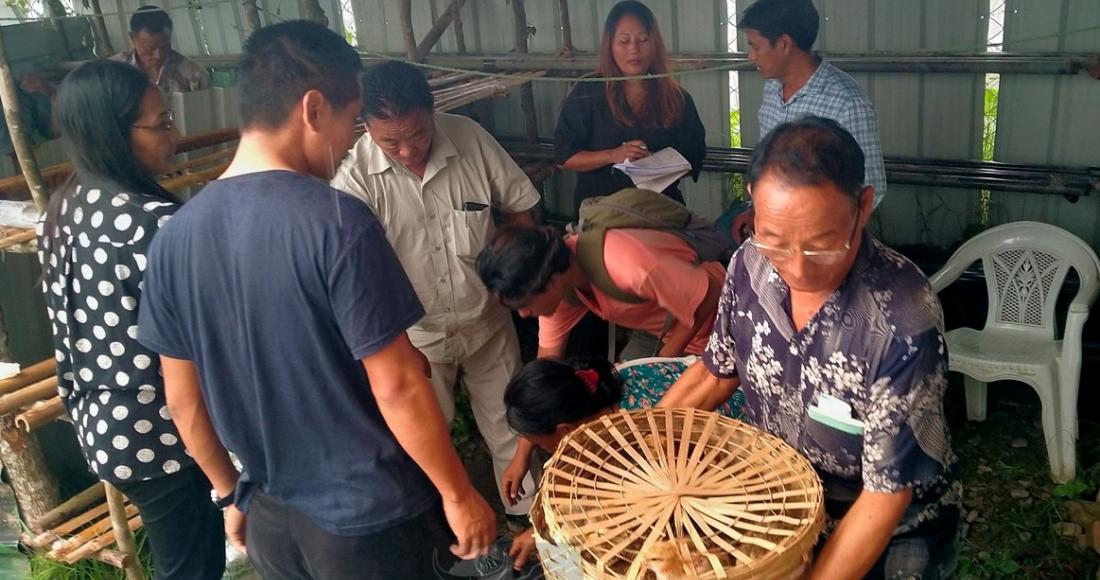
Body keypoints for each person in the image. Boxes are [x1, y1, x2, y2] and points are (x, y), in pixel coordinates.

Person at [136, 21, 495, 579]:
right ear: (313, 109)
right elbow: (398, 383)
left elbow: (182, 399)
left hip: (273, 520)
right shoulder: (336, 222)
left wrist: (229, 494)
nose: (350, 143)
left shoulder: (176, 237)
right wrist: (457, 491)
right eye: (352, 123)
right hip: (369, 521)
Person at [659, 117, 960, 579]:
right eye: (776, 242)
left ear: (863, 206)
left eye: (822, 246)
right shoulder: (748, 265)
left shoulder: (902, 320)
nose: (797, 269)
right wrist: (643, 450)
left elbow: (885, 494)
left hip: (891, 523)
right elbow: (715, 372)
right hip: (782, 505)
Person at [331, 60, 540, 526]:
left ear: (433, 113)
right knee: (424, 440)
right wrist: (394, 346)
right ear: (367, 128)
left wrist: (521, 284)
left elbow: (522, 211)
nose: (408, 150)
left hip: (487, 319)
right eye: (391, 141)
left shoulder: (470, 139)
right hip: (413, 338)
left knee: (511, 425)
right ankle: (441, 533)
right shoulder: (353, 179)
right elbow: (352, 278)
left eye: (419, 134)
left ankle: (526, 524)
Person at [36, 60, 224, 579]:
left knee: (185, 560)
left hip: (103, 423)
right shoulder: (152, 223)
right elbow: (199, 345)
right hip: (164, 433)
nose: (175, 134)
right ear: (115, 133)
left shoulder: (67, 206)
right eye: (161, 123)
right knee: (191, 567)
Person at [501, 356, 744, 569]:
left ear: (565, 429)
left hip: (741, 450)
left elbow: (619, 509)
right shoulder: (597, 384)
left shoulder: (643, 442)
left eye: (542, 446)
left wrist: (542, 533)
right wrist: (520, 458)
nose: (548, 452)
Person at [731, 0, 887, 241]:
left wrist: (813, 234)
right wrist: (755, 211)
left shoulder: (846, 102)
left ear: (784, 44)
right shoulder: (772, 90)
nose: (751, 56)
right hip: (772, 228)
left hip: (818, 240)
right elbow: (767, 167)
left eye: (755, 46)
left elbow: (872, 188)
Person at [477, 224, 724, 361]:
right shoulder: (557, 281)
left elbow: (710, 292)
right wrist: (522, 455)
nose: (522, 314)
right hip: (666, 330)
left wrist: (660, 362)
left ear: (550, 282)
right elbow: (547, 366)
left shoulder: (628, 266)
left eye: (524, 304)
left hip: (723, 320)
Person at [554, 0, 706, 211]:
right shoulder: (588, 92)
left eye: (642, 40)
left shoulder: (676, 98)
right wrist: (613, 155)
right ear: (610, 46)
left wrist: (658, 165)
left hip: (660, 212)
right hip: (602, 213)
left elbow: (694, 155)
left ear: (654, 44)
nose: (634, 49)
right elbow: (564, 157)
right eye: (624, 41)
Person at [110, 6, 211, 93]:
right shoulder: (112, 72)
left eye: (164, 47)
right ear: (132, 38)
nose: (158, 55)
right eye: (150, 49)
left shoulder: (193, 74)